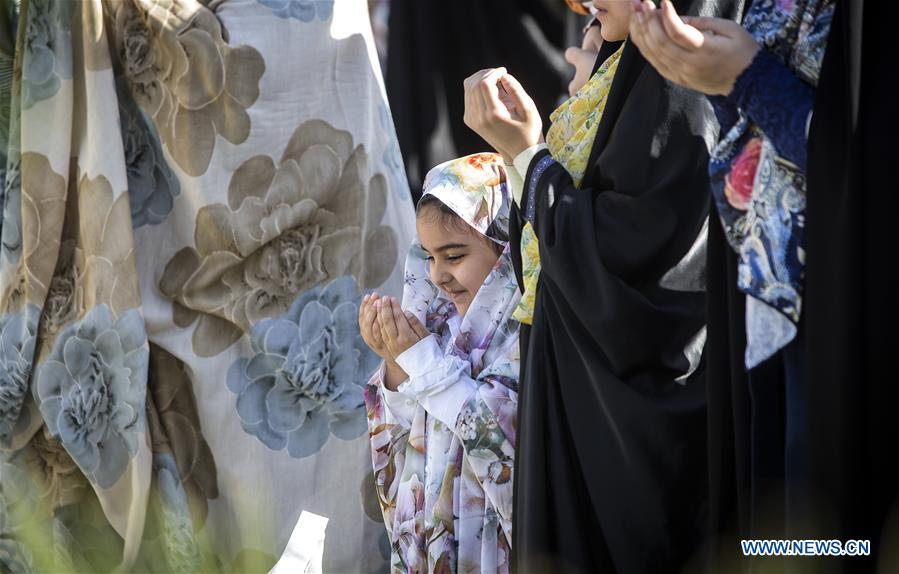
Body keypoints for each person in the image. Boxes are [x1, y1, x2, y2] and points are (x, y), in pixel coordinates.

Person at [462, 0, 742, 571]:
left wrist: (527, 157)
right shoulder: (625, 66)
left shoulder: (680, 82)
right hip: (577, 397)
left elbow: (626, 273)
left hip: (634, 441)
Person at [628, 0, 835, 551]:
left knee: (836, 534)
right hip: (770, 301)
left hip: (849, 310)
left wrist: (746, 79)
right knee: (784, 528)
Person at [360, 153, 521, 573]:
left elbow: (507, 447)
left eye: (453, 256)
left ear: (505, 250)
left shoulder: (526, 331)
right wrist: (396, 364)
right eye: (429, 257)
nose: (436, 276)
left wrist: (425, 365)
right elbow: (409, 444)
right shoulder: (440, 326)